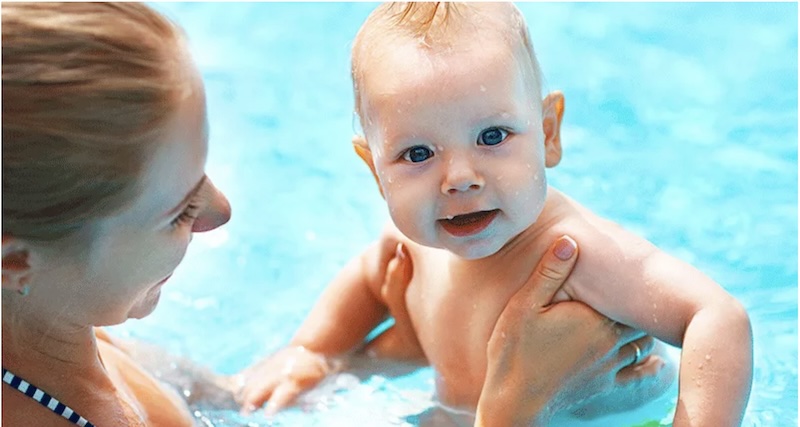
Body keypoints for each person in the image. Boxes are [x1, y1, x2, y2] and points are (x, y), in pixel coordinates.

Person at [2, 3, 658, 427]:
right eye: (178, 210)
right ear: (14, 260)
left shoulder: (65, 334)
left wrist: (374, 353)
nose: (220, 211)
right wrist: (518, 398)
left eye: (203, 174)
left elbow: (232, 402)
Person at [239, 2, 754, 426]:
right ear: (376, 171)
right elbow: (373, 276)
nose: (459, 177)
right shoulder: (418, 244)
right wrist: (313, 350)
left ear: (549, 135)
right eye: (418, 154)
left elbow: (717, 317)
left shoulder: (575, 253)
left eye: (493, 137)